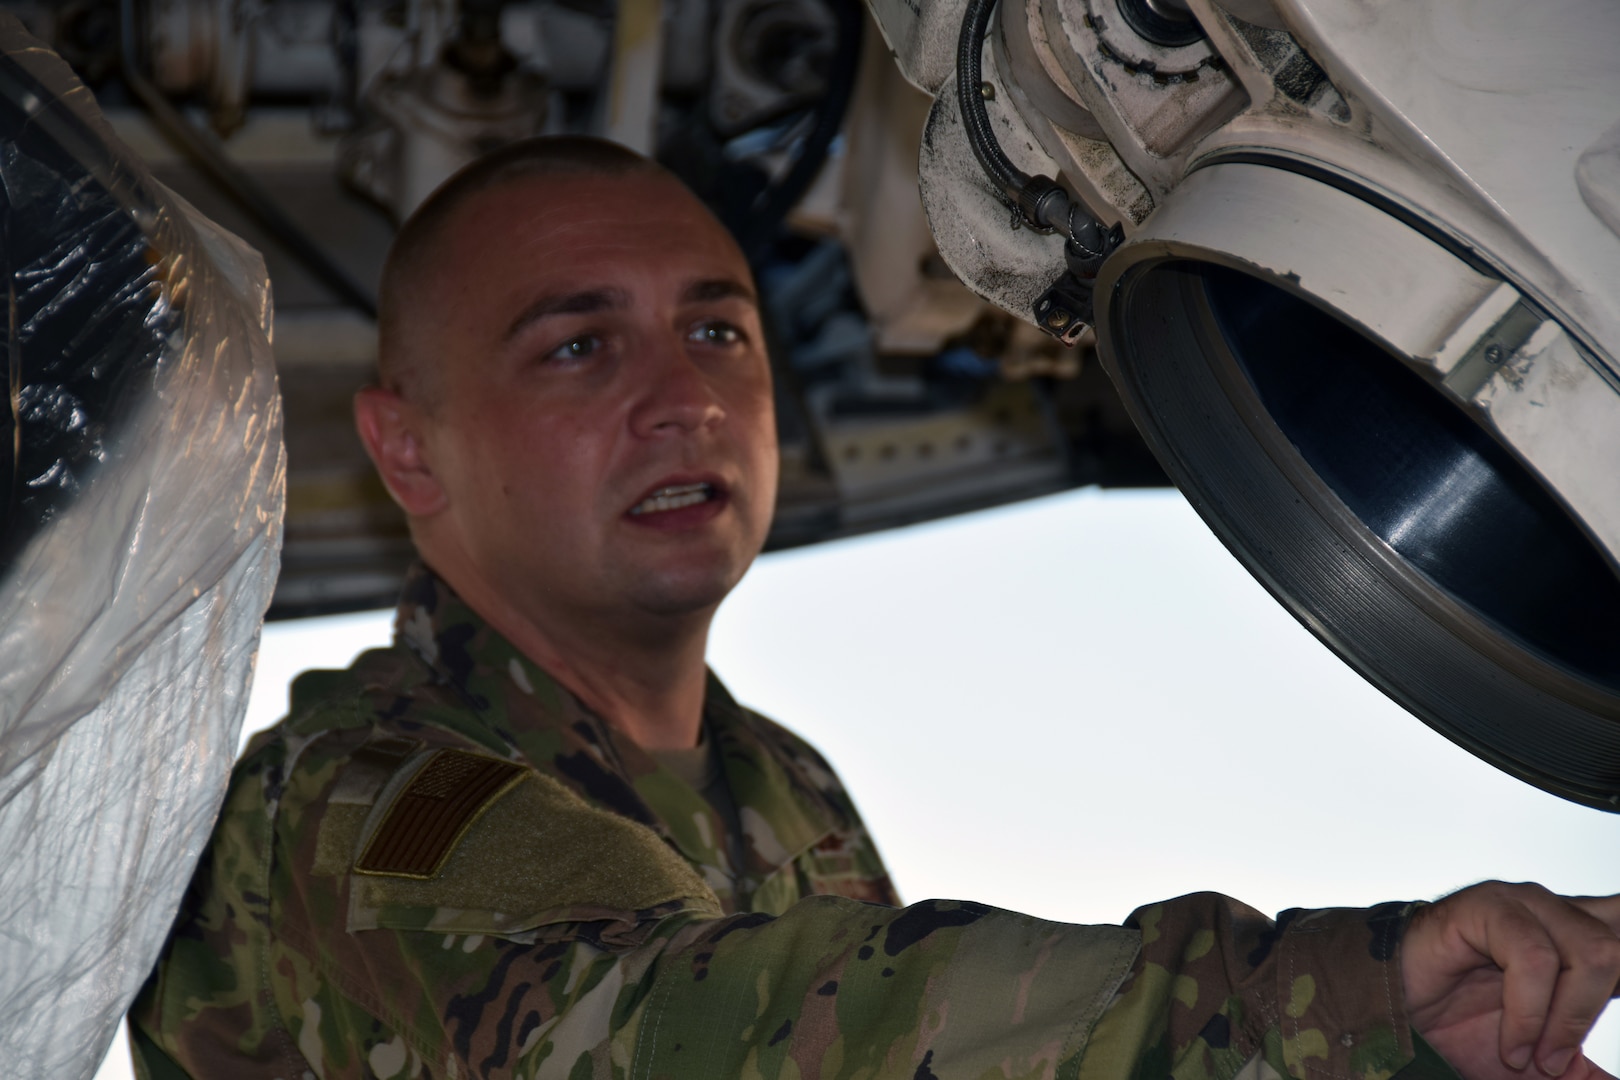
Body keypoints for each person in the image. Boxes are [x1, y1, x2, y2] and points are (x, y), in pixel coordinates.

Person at [130, 136, 1620, 1080]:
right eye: (579, 349)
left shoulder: (781, 787)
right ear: (406, 448)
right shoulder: (364, 797)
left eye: (718, 328)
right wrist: (1324, 999)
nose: (684, 399)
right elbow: (696, 1034)